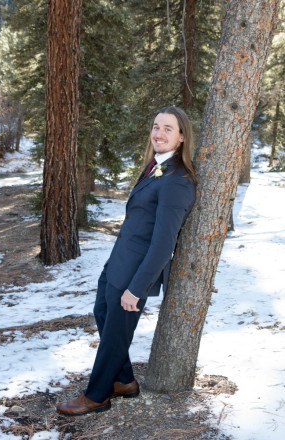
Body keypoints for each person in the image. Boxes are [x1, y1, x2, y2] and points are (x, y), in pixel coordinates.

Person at [57, 106, 197, 416]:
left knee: (115, 335)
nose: (158, 133)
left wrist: (137, 288)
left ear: (182, 137)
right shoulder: (156, 166)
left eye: (168, 129)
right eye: (156, 126)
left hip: (136, 271)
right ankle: (123, 381)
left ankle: (97, 394)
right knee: (103, 314)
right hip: (118, 262)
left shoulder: (177, 180)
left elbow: (163, 245)